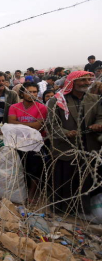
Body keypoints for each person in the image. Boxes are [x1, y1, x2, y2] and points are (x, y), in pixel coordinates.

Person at [47, 71, 102, 213]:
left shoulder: (95, 99)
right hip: (67, 148)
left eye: (88, 80)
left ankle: (81, 211)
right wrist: (66, 133)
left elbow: (100, 117)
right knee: (65, 181)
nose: (85, 83)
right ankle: (61, 210)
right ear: (72, 83)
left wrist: (98, 124)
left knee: (85, 182)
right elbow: (52, 124)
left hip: (89, 148)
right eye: (82, 80)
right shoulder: (58, 100)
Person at [8, 82, 48, 202]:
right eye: (29, 92)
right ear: (22, 93)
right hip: (19, 143)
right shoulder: (14, 107)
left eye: (35, 92)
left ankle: (32, 195)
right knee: (21, 168)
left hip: (35, 143)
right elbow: (11, 122)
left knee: (34, 169)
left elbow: (39, 125)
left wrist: (20, 124)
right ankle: (21, 192)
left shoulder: (42, 108)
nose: (32, 94)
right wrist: (30, 125)